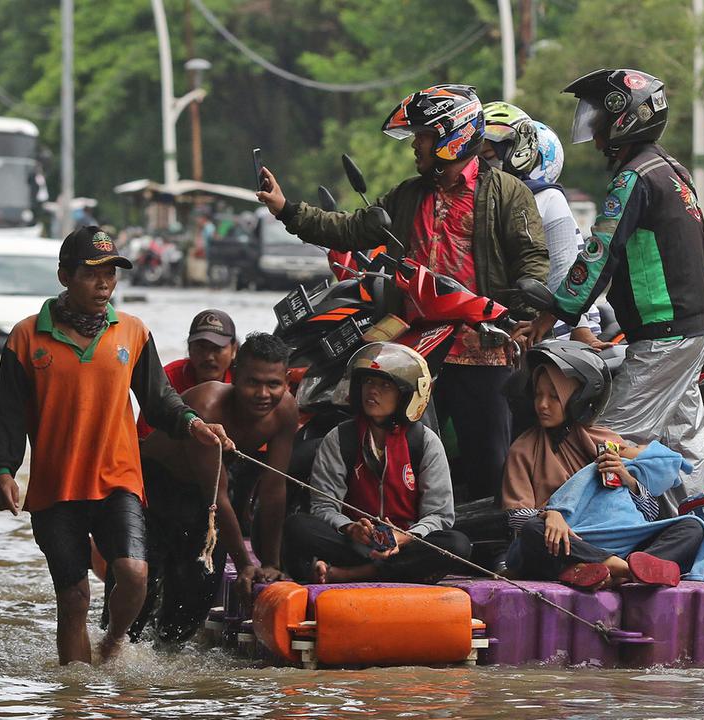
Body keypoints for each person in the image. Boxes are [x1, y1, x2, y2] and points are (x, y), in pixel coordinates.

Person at [256, 83, 548, 503]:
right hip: (413, 346)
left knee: (488, 458)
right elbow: (350, 229)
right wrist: (286, 208)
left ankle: (494, 545)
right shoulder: (409, 194)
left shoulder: (506, 192)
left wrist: (525, 314)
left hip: (481, 348)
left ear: (454, 135)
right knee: (405, 449)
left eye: (424, 136)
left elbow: (533, 260)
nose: (416, 145)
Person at [0, 225, 234, 665]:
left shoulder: (133, 332)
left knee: (134, 574)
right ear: (65, 276)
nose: (104, 284)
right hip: (55, 490)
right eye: (91, 273)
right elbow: (7, 413)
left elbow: (159, 400)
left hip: (118, 479)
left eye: (111, 274)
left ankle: (113, 644)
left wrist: (194, 424)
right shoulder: (26, 338)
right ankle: (74, 697)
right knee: (75, 599)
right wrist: (2, 471)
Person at [521, 68, 704, 497]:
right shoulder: (672, 169)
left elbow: (599, 253)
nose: (592, 125)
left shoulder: (633, 178)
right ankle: (698, 530)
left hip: (664, 333)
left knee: (606, 436)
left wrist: (554, 315)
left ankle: (589, 537)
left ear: (624, 116)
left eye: (598, 114)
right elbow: (695, 251)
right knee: (682, 442)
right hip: (691, 328)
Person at [125, 332, 297, 644]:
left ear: (286, 380)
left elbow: (274, 487)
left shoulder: (285, 410)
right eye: (252, 382)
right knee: (137, 592)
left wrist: (270, 563)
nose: (263, 394)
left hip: (203, 494)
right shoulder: (209, 405)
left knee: (194, 596)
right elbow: (216, 496)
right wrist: (245, 565)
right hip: (152, 486)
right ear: (235, 374)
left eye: (273, 384)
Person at [502, 340, 704, 590]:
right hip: (566, 542)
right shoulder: (523, 449)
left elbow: (647, 514)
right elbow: (516, 517)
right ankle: (622, 569)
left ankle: (608, 569)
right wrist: (550, 515)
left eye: (554, 397)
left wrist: (627, 479)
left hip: (620, 541)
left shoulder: (608, 441)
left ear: (577, 399)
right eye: (538, 395)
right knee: (532, 532)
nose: (543, 405)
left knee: (691, 527)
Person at [282, 342, 471, 584]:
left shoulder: (424, 442)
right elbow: (324, 506)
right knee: (297, 527)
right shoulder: (339, 438)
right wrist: (350, 528)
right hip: (355, 545)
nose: (373, 391)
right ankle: (385, 570)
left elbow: (440, 515)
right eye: (368, 382)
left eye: (384, 385)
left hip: (405, 546)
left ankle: (354, 574)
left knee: (457, 545)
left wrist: (404, 537)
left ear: (405, 395)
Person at [480, 101, 606, 347]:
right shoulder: (480, 201)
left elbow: (565, 267)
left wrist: (580, 330)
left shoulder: (546, 198)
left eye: (487, 157)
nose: (482, 167)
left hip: (550, 328)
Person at [136, 308, 237, 438]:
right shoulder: (167, 379)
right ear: (189, 348)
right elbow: (144, 438)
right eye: (201, 347)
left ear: (234, 349)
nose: (209, 357)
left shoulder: (243, 380)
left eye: (217, 349)